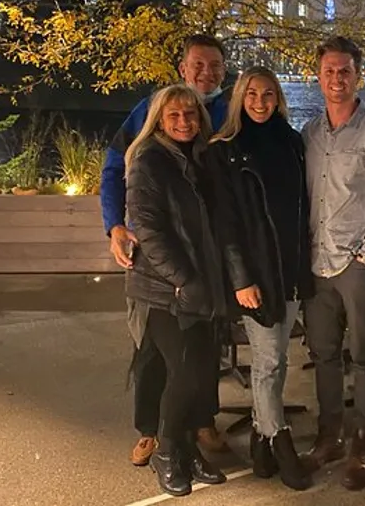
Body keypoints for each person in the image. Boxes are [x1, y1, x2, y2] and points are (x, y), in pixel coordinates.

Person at [99, 34, 232, 465]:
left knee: (200, 346)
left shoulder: (228, 113)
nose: (205, 73)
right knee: (152, 348)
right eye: (198, 64)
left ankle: (202, 421)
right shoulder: (150, 110)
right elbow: (114, 168)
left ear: (224, 70)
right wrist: (115, 225)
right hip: (154, 260)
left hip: (204, 257)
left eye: (214, 65)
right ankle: (150, 430)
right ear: (182, 67)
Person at [300, 35, 365, 491]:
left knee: (364, 356)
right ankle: (329, 436)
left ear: (357, 74)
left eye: (344, 71)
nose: (336, 79)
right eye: (329, 71)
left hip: (360, 264)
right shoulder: (309, 133)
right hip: (316, 263)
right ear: (318, 76)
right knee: (323, 355)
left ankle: (361, 440)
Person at [208, 67, 314, 491]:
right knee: (269, 360)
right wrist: (241, 278)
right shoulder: (224, 151)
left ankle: (259, 436)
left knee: (278, 360)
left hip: (291, 268)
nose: (260, 101)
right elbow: (226, 225)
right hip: (256, 274)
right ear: (239, 97)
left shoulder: (292, 143)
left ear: (278, 98)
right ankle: (279, 438)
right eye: (252, 93)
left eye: (269, 93)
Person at [124, 84, 228, 497]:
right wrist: (184, 280)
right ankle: (168, 452)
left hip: (201, 284)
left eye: (190, 115)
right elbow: (149, 229)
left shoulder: (202, 156)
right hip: (164, 288)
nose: (184, 122)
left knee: (199, 373)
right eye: (174, 116)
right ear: (159, 121)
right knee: (182, 373)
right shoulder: (149, 160)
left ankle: (186, 450)